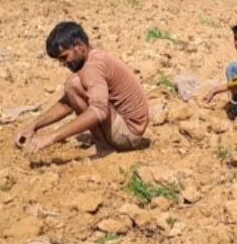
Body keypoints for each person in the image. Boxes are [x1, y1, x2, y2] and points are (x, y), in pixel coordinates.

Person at [15, 21, 149, 155]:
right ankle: (103, 144)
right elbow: (68, 103)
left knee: (73, 84)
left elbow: (99, 110)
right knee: (74, 86)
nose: (64, 63)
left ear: (79, 46)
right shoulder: (94, 58)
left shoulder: (93, 66)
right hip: (128, 128)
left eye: (64, 57)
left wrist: (51, 138)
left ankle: (103, 147)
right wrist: (34, 126)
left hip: (128, 134)